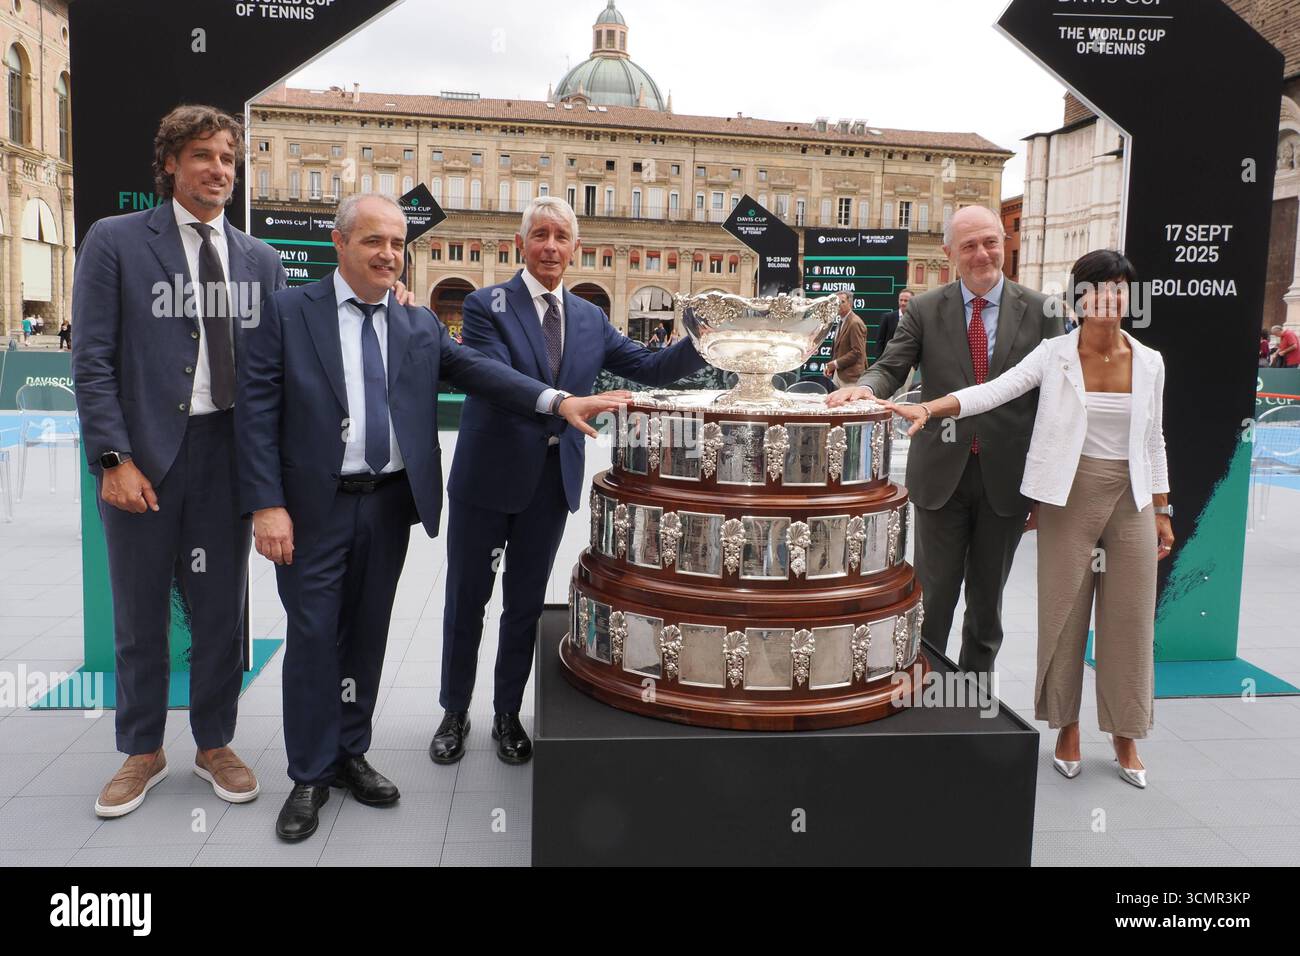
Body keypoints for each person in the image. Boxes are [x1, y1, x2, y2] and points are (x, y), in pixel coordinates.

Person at [237, 194, 625, 841]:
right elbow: (254, 412)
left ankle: (351, 753)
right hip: (312, 509)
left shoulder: (417, 326)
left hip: (389, 505)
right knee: (312, 638)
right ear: (340, 244)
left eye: (396, 243)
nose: (388, 254)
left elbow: (482, 373)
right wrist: (265, 505)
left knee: (367, 634)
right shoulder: (288, 313)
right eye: (373, 242)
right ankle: (309, 773)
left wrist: (556, 402)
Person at [431, 196, 707, 766]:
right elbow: (493, 377)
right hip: (487, 481)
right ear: (521, 244)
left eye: (561, 237)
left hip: (549, 485)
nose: (551, 246)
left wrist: (703, 338)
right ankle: (454, 712)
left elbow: (650, 367)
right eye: (541, 235)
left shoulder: (588, 318)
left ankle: (507, 714)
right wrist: (561, 403)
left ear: (576, 249)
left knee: (524, 605)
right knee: (467, 601)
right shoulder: (487, 305)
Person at [881, 250, 1172, 787]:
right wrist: (929, 407)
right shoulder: (1054, 354)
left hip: (1131, 498)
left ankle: (1126, 733)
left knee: (1130, 619)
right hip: (1067, 494)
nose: (1109, 298)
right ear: (1078, 298)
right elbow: (995, 391)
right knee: (1062, 614)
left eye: (1119, 288)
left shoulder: (1149, 360)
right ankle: (1066, 727)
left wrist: (1162, 506)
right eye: (1096, 288)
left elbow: (1153, 439)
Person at [72, 105, 288, 818]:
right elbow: (93, 359)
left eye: (228, 158)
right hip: (144, 461)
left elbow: (281, 369)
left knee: (222, 614)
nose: (217, 170)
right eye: (202, 155)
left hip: (227, 459)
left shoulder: (260, 260)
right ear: (169, 163)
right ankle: (142, 749)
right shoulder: (116, 241)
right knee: (139, 616)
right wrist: (112, 458)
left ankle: (214, 742)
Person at [830, 205, 1062, 674]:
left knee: (987, 606)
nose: (983, 254)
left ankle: (975, 703)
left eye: (991, 242)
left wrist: (1048, 486)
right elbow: (893, 365)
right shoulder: (924, 308)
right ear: (949, 253)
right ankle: (925, 695)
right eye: (970, 245)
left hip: (1009, 480)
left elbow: (1056, 406)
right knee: (933, 598)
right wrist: (867, 388)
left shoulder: (1042, 312)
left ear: (1002, 242)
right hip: (940, 478)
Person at [823, 291, 866, 389]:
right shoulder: (842, 321)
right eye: (836, 302)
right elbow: (838, 349)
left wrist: (835, 364)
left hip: (851, 378)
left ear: (850, 304)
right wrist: (831, 367)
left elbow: (857, 352)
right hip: (838, 376)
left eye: (842, 302)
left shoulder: (855, 323)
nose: (838, 305)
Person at [876, 288, 913, 357]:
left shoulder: (915, 320)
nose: (902, 303)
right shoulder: (887, 317)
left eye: (906, 301)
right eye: (901, 300)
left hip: (908, 361)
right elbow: (880, 341)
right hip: (888, 359)